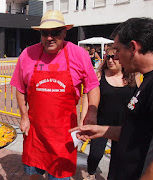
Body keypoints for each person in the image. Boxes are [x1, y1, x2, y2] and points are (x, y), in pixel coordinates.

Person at [10, 10, 100, 180]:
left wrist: (91, 113)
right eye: (45, 33)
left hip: (63, 137)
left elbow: (92, 86)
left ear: (65, 32)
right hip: (35, 133)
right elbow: (20, 88)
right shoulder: (27, 55)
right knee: (33, 176)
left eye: (56, 32)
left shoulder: (79, 55)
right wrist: (23, 117)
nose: (50, 37)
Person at [70, 17, 153, 180]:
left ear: (133, 47)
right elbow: (140, 133)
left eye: (117, 51)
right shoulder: (146, 81)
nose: (114, 58)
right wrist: (100, 131)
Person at [81, 48, 138, 180]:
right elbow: (87, 97)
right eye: (108, 57)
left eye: (114, 57)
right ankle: (91, 174)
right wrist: (84, 118)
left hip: (123, 124)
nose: (111, 60)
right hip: (101, 122)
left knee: (118, 157)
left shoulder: (132, 76)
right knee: (95, 154)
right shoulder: (100, 75)